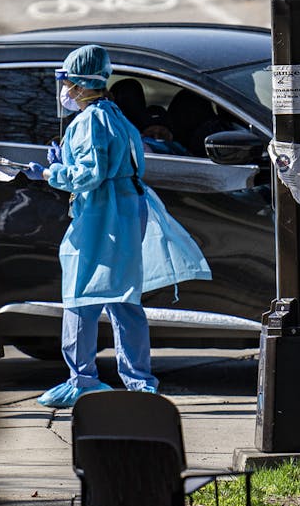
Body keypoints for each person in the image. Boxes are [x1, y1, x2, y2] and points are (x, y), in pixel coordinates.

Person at [26, 45, 209, 409]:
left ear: (79, 84)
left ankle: (81, 380)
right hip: (125, 212)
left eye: (66, 81)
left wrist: (51, 172)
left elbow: (89, 175)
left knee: (81, 297)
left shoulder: (89, 121)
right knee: (124, 300)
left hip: (101, 217)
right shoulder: (116, 116)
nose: (63, 89)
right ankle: (140, 382)